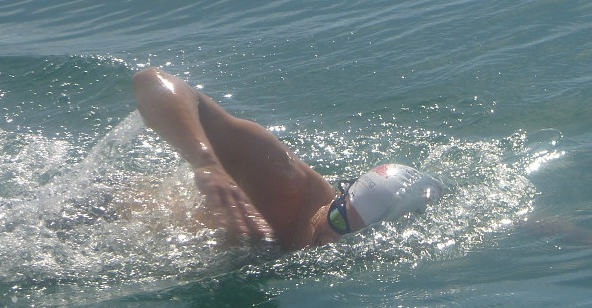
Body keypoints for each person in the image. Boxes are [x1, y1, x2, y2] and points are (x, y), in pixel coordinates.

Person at [131, 67, 444, 249]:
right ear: (340, 197)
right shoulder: (282, 181)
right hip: (105, 212)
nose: (329, 239)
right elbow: (151, 82)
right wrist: (207, 165)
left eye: (350, 240)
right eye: (337, 219)